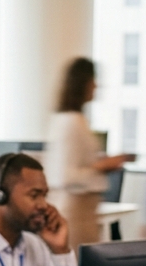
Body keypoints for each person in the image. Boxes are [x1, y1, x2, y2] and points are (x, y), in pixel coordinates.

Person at [45, 57, 134, 192]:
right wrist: (103, 166)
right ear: (83, 84)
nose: (96, 86)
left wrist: (102, 163)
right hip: (75, 198)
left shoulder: (76, 119)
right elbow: (64, 175)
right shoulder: (71, 122)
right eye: (93, 80)